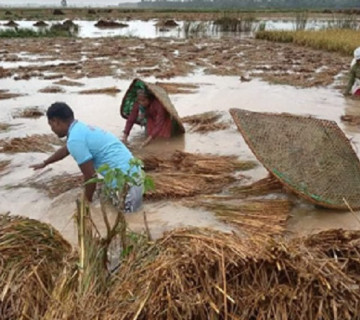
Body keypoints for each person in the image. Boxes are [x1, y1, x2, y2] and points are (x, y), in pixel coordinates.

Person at [30, 102, 143, 213]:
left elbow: (90, 177)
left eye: (51, 125)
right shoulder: (80, 128)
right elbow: (65, 150)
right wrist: (45, 162)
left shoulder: (75, 139)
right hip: (135, 176)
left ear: (56, 121)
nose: (52, 129)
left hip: (127, 186)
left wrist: (86, 204)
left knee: (128, 221)